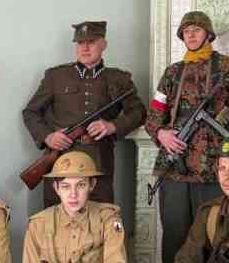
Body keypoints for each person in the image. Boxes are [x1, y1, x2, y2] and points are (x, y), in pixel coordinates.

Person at [145, 11, 229, 263]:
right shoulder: (172, 72)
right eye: (186, 31)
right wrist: (161, 134)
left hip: (216, 169)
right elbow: (154, 115)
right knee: (175, 235)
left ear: (208, 34)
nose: (190, 35)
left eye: (196, 30)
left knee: (217, 235)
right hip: (175, 169)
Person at [23, 20, 146, 208]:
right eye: (80, 43)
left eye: (91, 42)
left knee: (101, 213)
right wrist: (48, 137)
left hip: (99, 158)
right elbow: (31, 112)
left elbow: (139, 112)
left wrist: (112, 126)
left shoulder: (119, 78)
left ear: (103, 44)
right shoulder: (56, 76)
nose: (85, 48)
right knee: (56, 214)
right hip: (61, 156)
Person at [23, 151, 127, 263]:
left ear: (92, 185)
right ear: (56, 188)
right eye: (65, 187)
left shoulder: (110, 220)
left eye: (81, 185)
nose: (73, 194)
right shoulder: (37, 225)